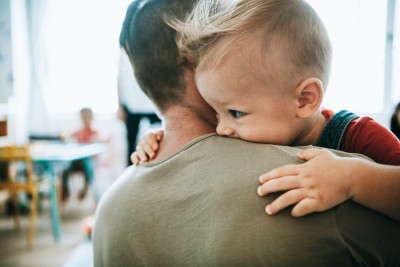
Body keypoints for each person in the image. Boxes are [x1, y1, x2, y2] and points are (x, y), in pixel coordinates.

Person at [92, 0, 400, 266]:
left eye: (235, 112)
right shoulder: (260, 123)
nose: (224, 128)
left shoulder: (359, 135)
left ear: (305, 100)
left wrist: (351, 178)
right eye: (218, 111)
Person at [117, 49, 161, 166]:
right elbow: (119, 80)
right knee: (131, 142)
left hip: (152, 104)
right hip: (131, 105)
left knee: (159, 139)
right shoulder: (123, 55)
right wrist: (120, 106)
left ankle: (158, 165)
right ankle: (130, 170)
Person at [61, 107, 98, 201]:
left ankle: (84, 191)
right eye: (83, 117)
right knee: (64, 170)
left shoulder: (95, 132)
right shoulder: (78, 132)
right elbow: (66, 136)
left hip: (88, 162)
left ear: (91, 118)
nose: (85, 119)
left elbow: (102, 142)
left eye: (87, 117)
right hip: (76, 161)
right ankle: (65, 192)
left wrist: (94, 141)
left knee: (88, 170)